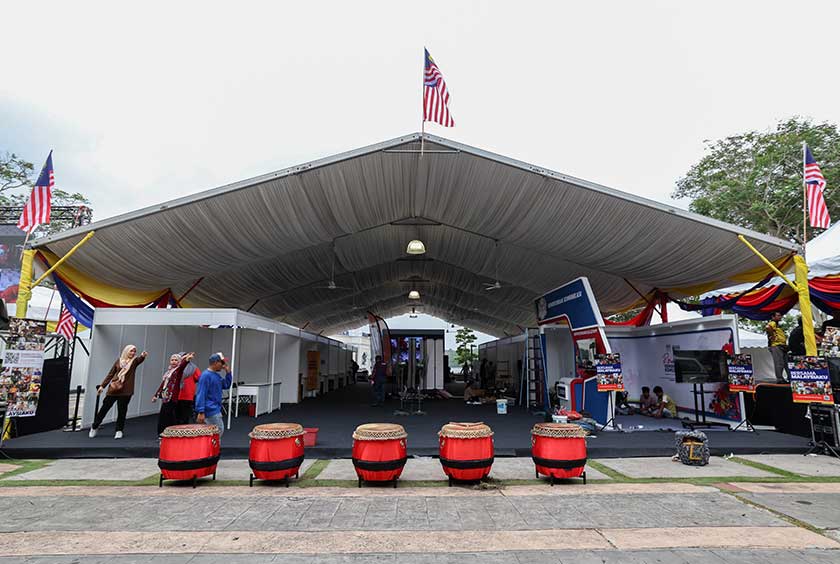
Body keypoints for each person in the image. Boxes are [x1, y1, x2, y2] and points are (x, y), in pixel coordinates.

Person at [89, 345, 147, 439]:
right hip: (114, 389)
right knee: (104, 408)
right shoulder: (119, 361)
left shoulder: (134, 361)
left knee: (122, 411)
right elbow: (111, 374)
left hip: (126, 391)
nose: (133, 353)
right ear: (126, 351)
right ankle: (94, 426)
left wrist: (143, 355)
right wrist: (102, 386)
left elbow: (140, 359)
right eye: (131, 351)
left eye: (134, 351)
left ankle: (119, 430)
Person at [152, 352, 195, 435]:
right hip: (165, 396)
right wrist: (156, 395)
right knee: (164, 415)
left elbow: (182, 366)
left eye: (176, 360)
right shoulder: (168, 372)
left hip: (172, 396)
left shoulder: (178, 371)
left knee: (168, 415)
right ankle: (163, 433)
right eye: (172, 360)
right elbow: (163, 384)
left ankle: (167, 433)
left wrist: (186, 359)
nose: (173, 362)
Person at [195, 352, 233, 437]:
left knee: (213, 432)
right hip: (210, 409)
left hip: (214, 408)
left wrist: (228, 373)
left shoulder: (215, 375)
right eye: (222, 363)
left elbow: (226, 385)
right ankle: (212, 449)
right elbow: (201, 393)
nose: (223, 365)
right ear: (215, 362)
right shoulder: (206, 376)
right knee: (217, 431)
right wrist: (201, 411)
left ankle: (210, 449)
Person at [176, 352, 202, 424]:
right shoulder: (193, 367)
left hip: (184, 395)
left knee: (182, 417)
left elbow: (199, 378)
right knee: (182, 417)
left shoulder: (193, 368)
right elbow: (199, 378)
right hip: (181, 395)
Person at [765, 311, 789, 383]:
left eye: (780, 315)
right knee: (779, 363)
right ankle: (779, 379)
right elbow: (768, 327)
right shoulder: (772, 323)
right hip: (776, 346)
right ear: (773, 317)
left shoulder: (777, 325)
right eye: (778, 315)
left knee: (785, 363)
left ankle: (787, 378)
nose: (780, 317)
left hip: (781, 346)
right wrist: (772, 335)